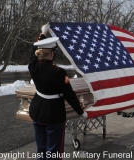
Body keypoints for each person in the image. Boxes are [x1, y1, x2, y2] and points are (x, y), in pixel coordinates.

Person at [28, 23, 87, 159]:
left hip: (37, 112)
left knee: (41, 149)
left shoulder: (33, 66)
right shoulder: (59, 72)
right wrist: (81, 111)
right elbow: (69, 94)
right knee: (53, 152)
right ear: (52, 54)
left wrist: (42, 35)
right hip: (53, 115)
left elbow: (33, 53)